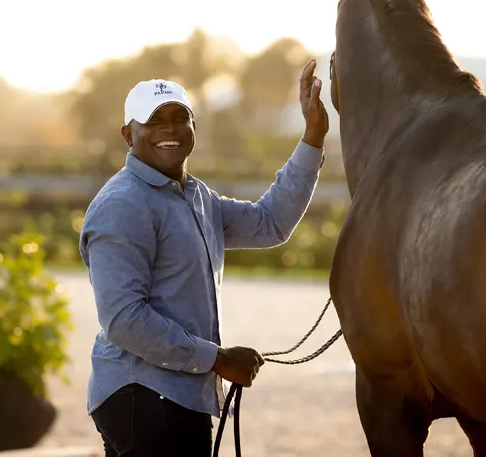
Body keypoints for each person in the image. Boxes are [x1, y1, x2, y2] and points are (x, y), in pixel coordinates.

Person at [79, 58, 329, 456]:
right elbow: (124, 318)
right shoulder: (122, 205)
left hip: (174, 397)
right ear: (128, 133)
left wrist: (313, 138)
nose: (168, 128)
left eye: (180, 117)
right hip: (142, 396)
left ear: (194, 127)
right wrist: (217, 359)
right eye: (154, 120)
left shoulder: (196, 197)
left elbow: (269, 224)